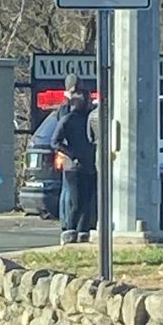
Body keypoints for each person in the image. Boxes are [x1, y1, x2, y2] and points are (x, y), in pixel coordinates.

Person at [51, 89, 96, 244]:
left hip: (90, 165)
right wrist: (72, 153)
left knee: (88, 202)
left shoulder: (92, 118)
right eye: (87, 101)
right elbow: (55, 142)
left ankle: (83, 232)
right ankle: (70, 231)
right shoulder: (68, 119)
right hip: (73, 167)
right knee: (76, 202)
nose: (90, 104)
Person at [55, 73, 84, 227]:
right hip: (68, 155)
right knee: (67, 191)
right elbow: (62, 133)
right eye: (77, 89)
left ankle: (70, 223)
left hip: (71, 155)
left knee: (69, 191)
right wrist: (69, 152)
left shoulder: (70, 107)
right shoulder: (65, 109)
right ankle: (66, 224)